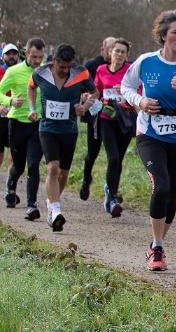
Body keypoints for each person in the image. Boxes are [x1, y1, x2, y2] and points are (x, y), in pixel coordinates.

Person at [121, 11, 176, 271]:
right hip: (150, 134)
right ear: (163, 36)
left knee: (173, 193)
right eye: (175, 33)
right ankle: (158, 247)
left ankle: (155, 242)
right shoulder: (146, 61)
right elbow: (126, 87)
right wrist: (140, 101)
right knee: (161, 187)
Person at [27, 44, 101, 231]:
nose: (66, 70)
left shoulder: (81, 73)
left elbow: (95, 93)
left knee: (63, 173)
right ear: (54, 60)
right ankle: (55, 211)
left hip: (69, 130)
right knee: (52, 167)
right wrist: (32, 108)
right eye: (62, 67)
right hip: (47, 128)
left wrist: (84, 107)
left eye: (69, 66)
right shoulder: (40, 73)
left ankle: (52, 203)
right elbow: (31, 87)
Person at [0, 38, 47, 220]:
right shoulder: (13, 71)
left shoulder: (46, 71)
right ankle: (10, 187)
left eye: (40, 57)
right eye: (34, 57)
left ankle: (31, 205)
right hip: (17, 123)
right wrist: (10, 101)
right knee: (18, 166)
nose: (37, 61)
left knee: (33, 164)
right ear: (26, 54)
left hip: (38, 124)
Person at [94, 38, 136, 217]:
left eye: (122, 52)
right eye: (116, 51)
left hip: (125, 120)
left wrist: (125, 91)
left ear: (127, 55)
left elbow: (140, 93)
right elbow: (96, 91)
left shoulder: (131, 72)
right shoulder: (101, 70)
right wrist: (88, 98)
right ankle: (112, 199)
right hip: (107, 119)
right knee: (112, 159)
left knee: (118, 160)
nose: (119, 55)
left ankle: (110, 189)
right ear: (110, 52)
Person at [79, 36, 117, 201]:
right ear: (103, 50)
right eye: (110, 49)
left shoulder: (124, 67)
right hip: (94, 115)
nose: (113, 53)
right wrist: (84, 94)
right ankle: (86, 179)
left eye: (116, 49)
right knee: (92, 153)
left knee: (114, 156)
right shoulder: (92, 65)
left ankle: (112, 190)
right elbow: (80, 85)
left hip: (114, 117)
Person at [0, 43, 21, 171]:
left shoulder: (23, 72)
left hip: (17, 116)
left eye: (14, 54)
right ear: (2, 57)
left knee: (13, 151)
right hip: (1, 116)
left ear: (19, 55)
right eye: (8, 54)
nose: (11, 56)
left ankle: (10, 180)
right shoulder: (0, 71)